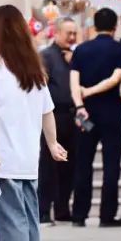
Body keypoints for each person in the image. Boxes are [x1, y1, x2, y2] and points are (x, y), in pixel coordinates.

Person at [0, 5, 68, 241]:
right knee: (28, 222)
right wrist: (53, 144)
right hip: (28, 159)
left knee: (8, 223)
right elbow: (48, 112)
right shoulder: (32, 69)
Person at [70, 8, 121, 228]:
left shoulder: (81, 50)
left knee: (83, 163)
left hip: (85, 113)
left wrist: (80, 103)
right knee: (110, 164)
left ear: (94, 26)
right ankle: (107, 215)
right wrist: (93, 91)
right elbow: (116, 79)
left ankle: (79, 215)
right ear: (115, 26)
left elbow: (73, 81)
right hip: (111, 113)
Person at [39, 17, 80, 224]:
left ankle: (63, 208)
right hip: (51, 117)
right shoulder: (46, 55)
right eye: (68, 33)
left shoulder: (77, 56)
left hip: (72, 115)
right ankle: (44, 210)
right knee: (47, 166)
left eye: (75, 33)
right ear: (57, 33)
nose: (72, 37)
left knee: (69, 165)